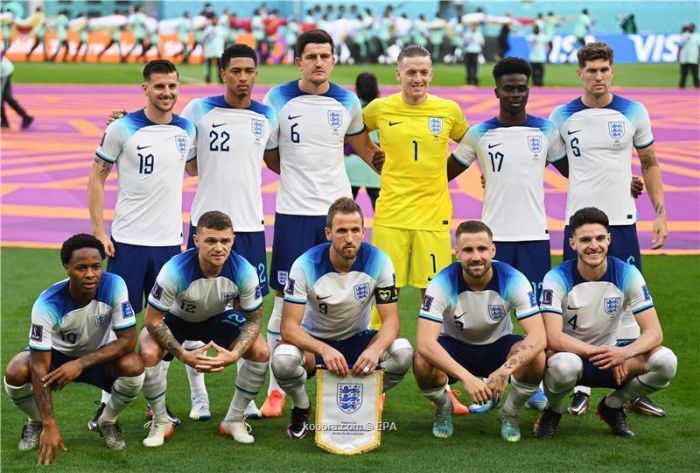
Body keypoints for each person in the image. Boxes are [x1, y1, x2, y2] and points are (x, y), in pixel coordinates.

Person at [262, 29, 383, 418]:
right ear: (299, 62)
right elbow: (271, 156)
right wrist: (300, 178)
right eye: (311, 56)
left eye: (325, 56)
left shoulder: (347, 101)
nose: (318, 62)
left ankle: (357, 374)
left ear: (333, 60)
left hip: (338, 214)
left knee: (350, 290)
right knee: (284, 299)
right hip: (294, 212)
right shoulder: (277, 98)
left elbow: (366, 150)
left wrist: (409, 173)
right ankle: (276, 391)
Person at [549, 42, 669, 417]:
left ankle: (629, 388)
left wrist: (660, 213)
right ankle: (581, 384)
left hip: (622, 221)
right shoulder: (562, 115)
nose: (598, 76)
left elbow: (649, 162)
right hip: (580, 223)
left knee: (630, 305)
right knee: (577, 302)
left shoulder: (633, 111)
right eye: (591, 70)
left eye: (604, 69)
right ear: (579, 74)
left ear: (612, 71)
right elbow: (553, 161)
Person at [87, 59, 195, 425]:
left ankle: (156, 405)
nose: (167, 92)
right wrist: (99, 231)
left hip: (168, 244)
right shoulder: (122, 128)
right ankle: (106, 402)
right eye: (159, 86)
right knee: (116, 326)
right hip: (128, 242)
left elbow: (194, 167)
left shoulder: (186, 128)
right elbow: (97, 177)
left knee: (164, 327)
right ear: (145, 88)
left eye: (172, 86)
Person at [364, 44, 470, 414]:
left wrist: (470, 174)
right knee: (381, 302)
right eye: (411, 72)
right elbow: (353, 132)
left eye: (424, 72)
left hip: (432, 219)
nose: (418, 78)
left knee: (437, 301)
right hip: (391, 217)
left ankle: (443, 385)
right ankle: (374, 386)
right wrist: (371, 155)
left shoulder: (447, 110)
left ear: (431, 74)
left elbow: (473, 143)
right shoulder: (380, 109)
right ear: (398, 74)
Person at [180, 44, 279, 420]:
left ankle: (245, 398)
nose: (243, 78)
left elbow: (274, 158)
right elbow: (187, 162)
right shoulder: (198, 110)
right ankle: (199, 398)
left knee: (248, 314)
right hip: (205, 225)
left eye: (249, 71)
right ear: (223, 73)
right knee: (193, 309)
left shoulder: (267, 115)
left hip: (250, 227)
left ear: (256, 74)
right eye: (235, 71)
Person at [271, 197, 413, 439]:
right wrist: (323, 349)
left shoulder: (379, 261)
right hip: (315, 344)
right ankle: (301, 407)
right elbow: (289, 328)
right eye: (342, 231)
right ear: (328, 233)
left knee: (403, 352)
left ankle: (364, 400)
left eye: (355, 230)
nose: (349, 238)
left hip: (359, 340)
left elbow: (391, 321)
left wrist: (375, 350)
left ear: (363, 232)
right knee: (283, 359)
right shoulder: (305, 264)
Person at [534, 207, 677, 438]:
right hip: (572, 356)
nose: (594, 246)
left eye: (600, 238)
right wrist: (601, 353)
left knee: (666, 362)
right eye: (585, 240)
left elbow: (654, 332)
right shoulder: (556, 277)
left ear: (609, 240)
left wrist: (623, 353)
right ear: (572, 243)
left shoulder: (627, 273)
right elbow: (553, 337)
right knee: (563, 367)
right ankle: (553, 409)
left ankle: (612, 406)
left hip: (614, 357)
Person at [3, 234, 145, 464]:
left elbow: (128, 340)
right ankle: (36, 422)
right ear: (67, 268)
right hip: (55, 358)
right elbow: (38, 366)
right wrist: (50, 423)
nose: (90, 274)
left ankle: (107, 421)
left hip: (96, 356)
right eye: (81, 268)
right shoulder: (47, 304)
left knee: (134, 365)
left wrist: (80, 363)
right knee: (16, 370)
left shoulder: (114, 285)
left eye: (96, 267)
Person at [140, 210, 268, 447]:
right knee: (147, 352)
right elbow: (153, 320)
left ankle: (234, 420)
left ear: (233, 240)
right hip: (176, 319)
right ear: (196, 240)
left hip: (217, 317)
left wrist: (235, 354)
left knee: (261, 351)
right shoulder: (174, 269)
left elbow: (254, 320)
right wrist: (182, 354)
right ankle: (160, 421)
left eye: (225, 241)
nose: (219, 247)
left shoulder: (244, 270)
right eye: (211, 240)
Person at [414, 220, 545, 442]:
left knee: (537, 357)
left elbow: (539, 336)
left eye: (482, 249)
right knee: (421, 360)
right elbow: (425, 342)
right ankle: (443, 407)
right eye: (468, 250)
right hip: (455, 348)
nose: (476, 257)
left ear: (493, 250)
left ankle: (510, 412)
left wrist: (504, 372)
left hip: (498, 347)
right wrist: (467, 378)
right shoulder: (442, 282)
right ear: (457, 253)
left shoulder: (512, 279)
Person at [344, 72, 381, 209]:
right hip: (375, 165)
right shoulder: (382, 108)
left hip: (350, 166)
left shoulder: (350, 107)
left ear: (357, 89)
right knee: (383, 213)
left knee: (343, 212)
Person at [1, 53, 34, 129]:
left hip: (4, 72)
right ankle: (5, 121)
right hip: (4, 69)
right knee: (5, 97)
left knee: (5, 97)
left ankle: (25, 117)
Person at [678, 23, 699, 89]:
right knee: (683, 74)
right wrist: (678, 55)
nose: (690, 29)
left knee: (695, 74)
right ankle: (681, 88)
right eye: (689, 27)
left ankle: (697, 87)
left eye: (691, 27)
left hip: (693, 57)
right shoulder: (684, 35)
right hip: (684, 57)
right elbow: (680, 46)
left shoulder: (697, 36)